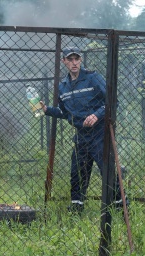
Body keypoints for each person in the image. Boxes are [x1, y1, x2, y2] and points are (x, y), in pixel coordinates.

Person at [40, 47, 127, 213]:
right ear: (64, 61)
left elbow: (112, 101)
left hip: (100, 134)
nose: (74, 63)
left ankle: (121, 207)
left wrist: (97, 115)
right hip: (81, 136)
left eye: (77, 59)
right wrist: (47, 110)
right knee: (77, 173)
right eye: (70, 59)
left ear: (80, 60)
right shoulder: (63, 87)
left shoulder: (93, 78)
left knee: (107, 170)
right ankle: (76, 208)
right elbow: (65, 113)